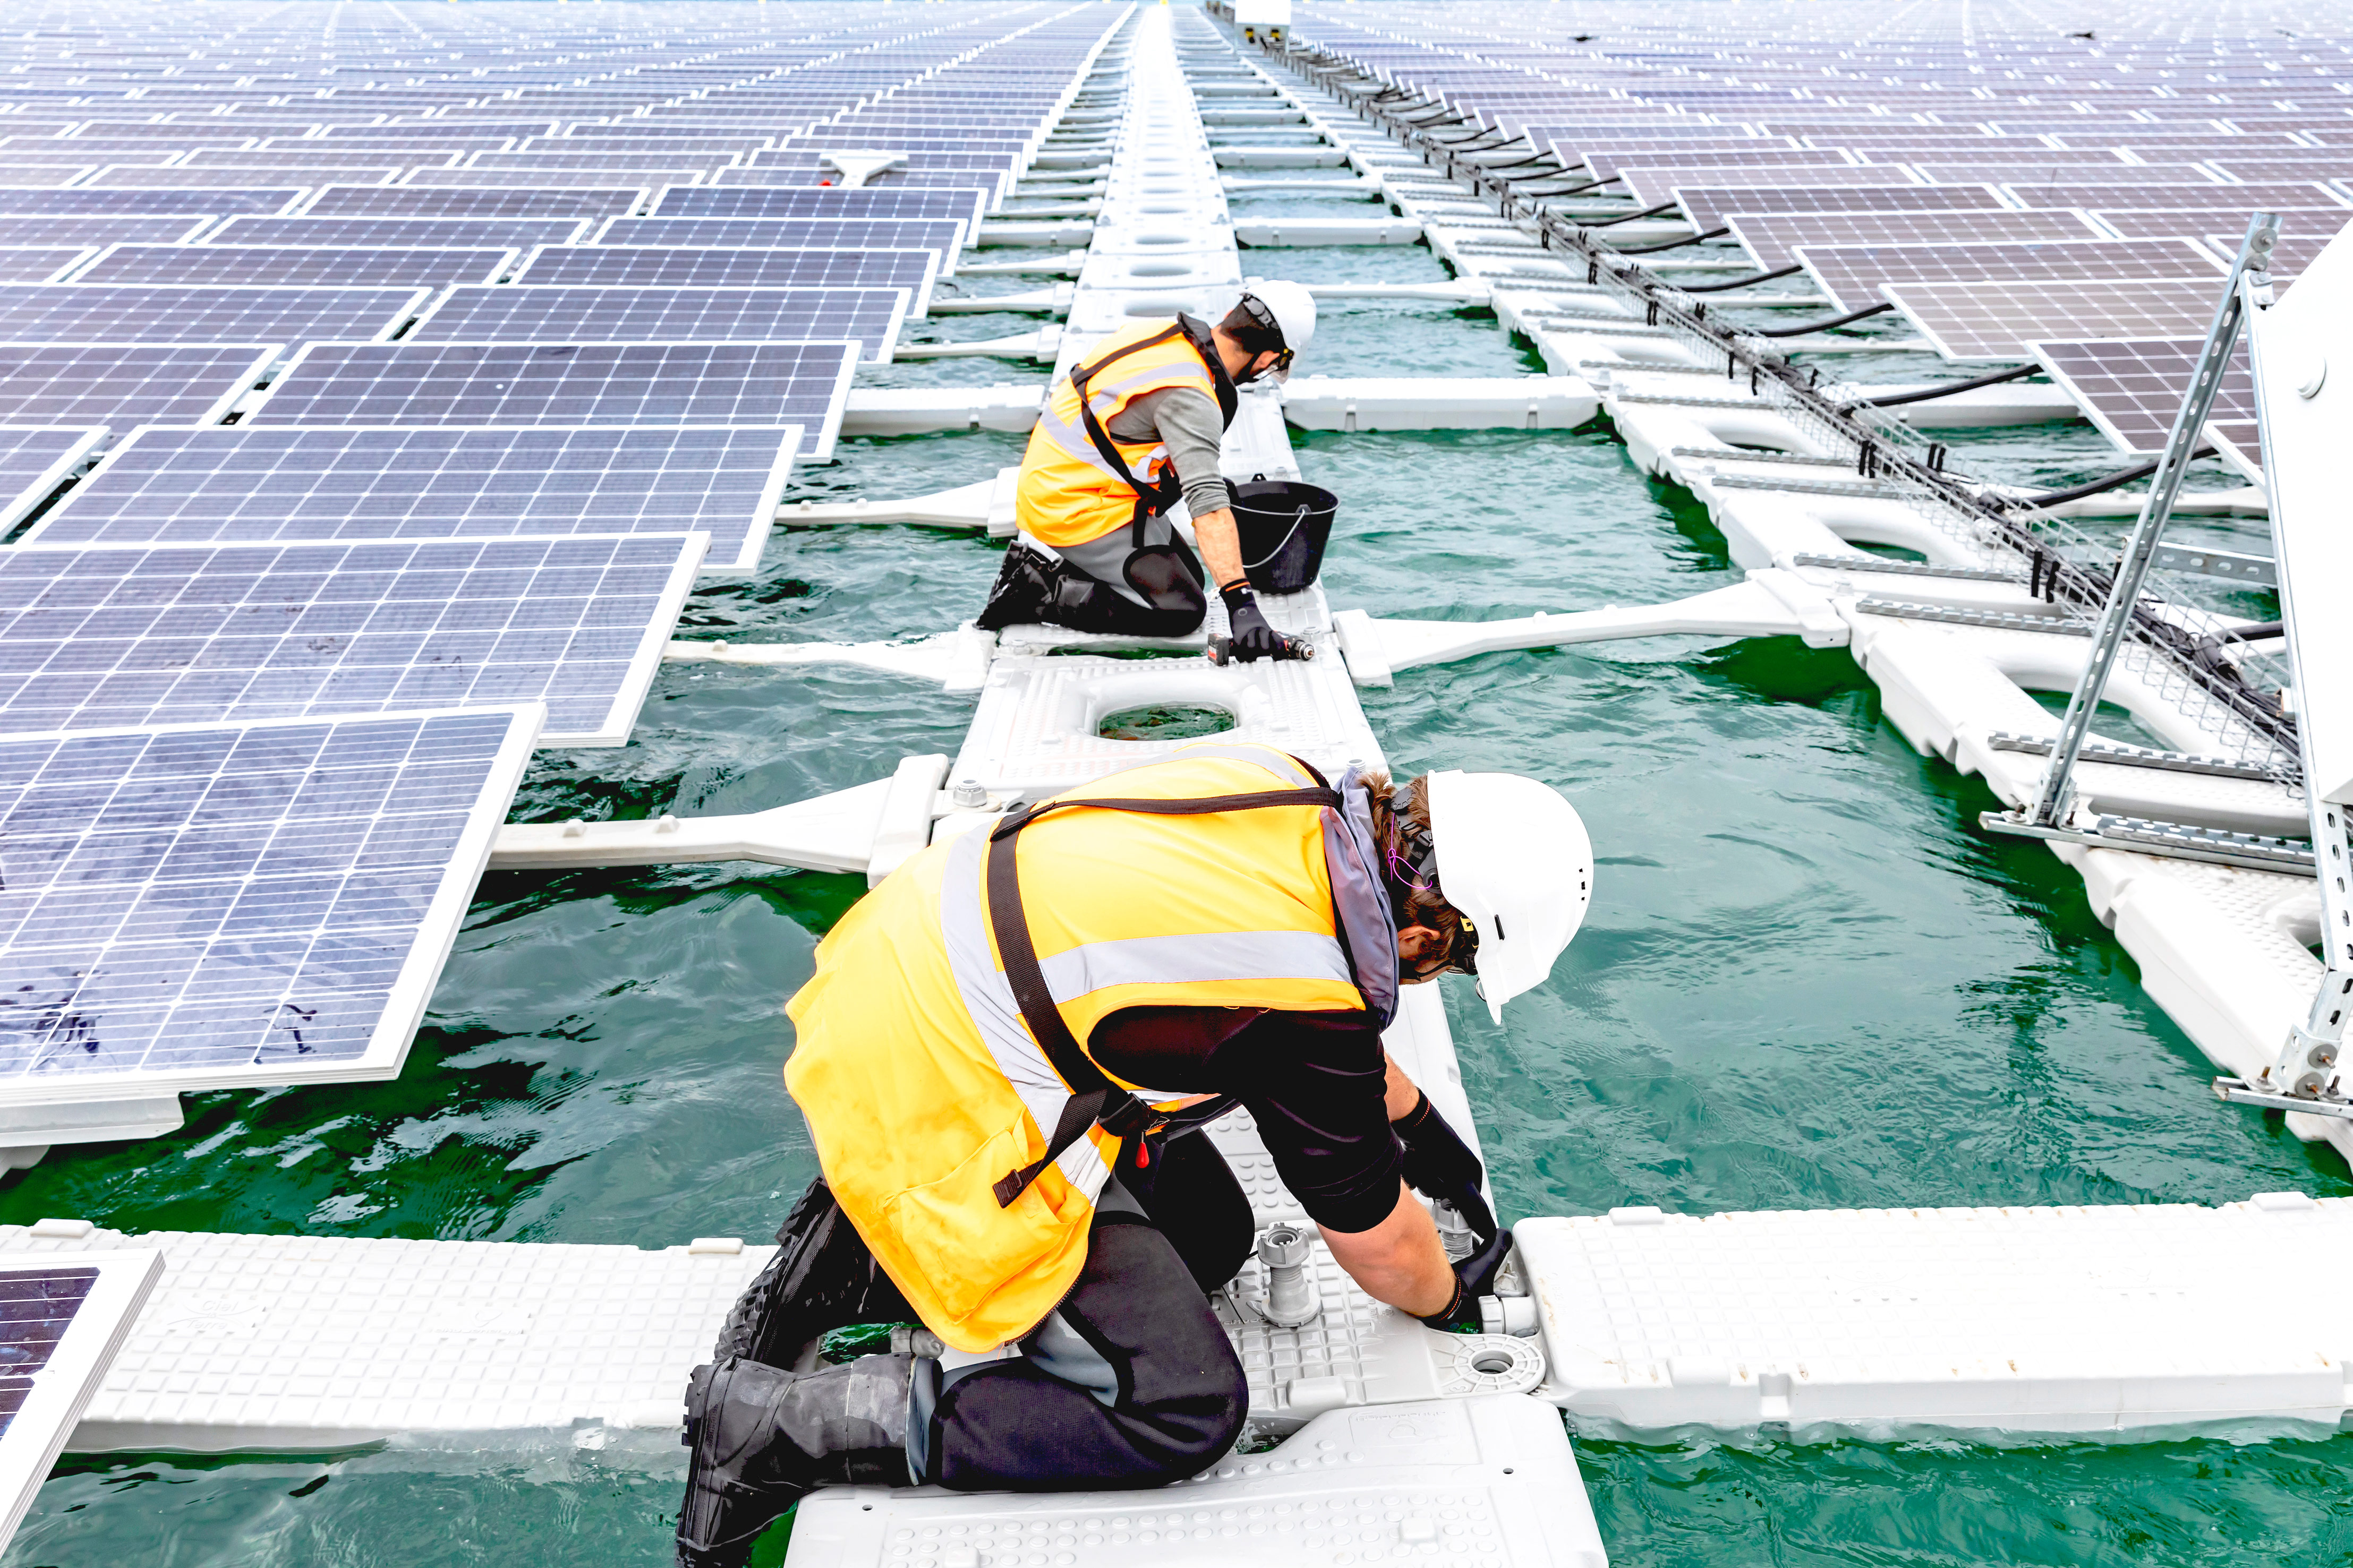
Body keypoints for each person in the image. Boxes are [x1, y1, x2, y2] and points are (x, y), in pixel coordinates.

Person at [675, 742, 1591, 1568]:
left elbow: (1282, 985)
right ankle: (779, 1427)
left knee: (1215, 1235)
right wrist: (1450, 1292)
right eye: (1456, 965)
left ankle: (857, 1253)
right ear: (1431, 934)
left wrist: (1418, 1128)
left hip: (902, 968)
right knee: (1182, 1407)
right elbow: (1385, 1250)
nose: (1441, 978)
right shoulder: (1305, 1004)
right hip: (940, 1088)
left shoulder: (1293, 790)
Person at [972, 282, 1318, 661]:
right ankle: (1038, 589)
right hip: (1073, 504)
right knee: (1183, 609)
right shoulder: (1193, 395)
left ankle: (1088, 569)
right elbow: (1207, 506)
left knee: (1192, 577)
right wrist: (1243, 606)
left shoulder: (1163, 334)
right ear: (1269, 356)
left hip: (1064, 476)